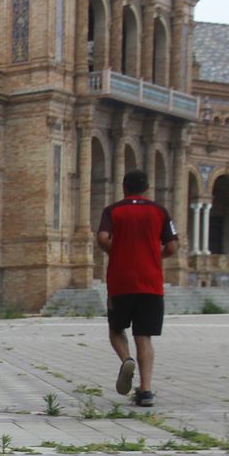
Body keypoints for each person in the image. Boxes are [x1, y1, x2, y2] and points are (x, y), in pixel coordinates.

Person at [95, 169, 178, 407]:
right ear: (146, 188)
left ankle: (125, 359)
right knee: (144, 336)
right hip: (150, 282)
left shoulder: (113, 210)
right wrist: (153, 256)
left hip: (120, 281)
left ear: (124, 188)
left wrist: (118, 253)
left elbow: (102, 237)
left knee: (116, 329)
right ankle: (146, 390)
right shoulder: (159, 211)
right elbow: (172, 247)